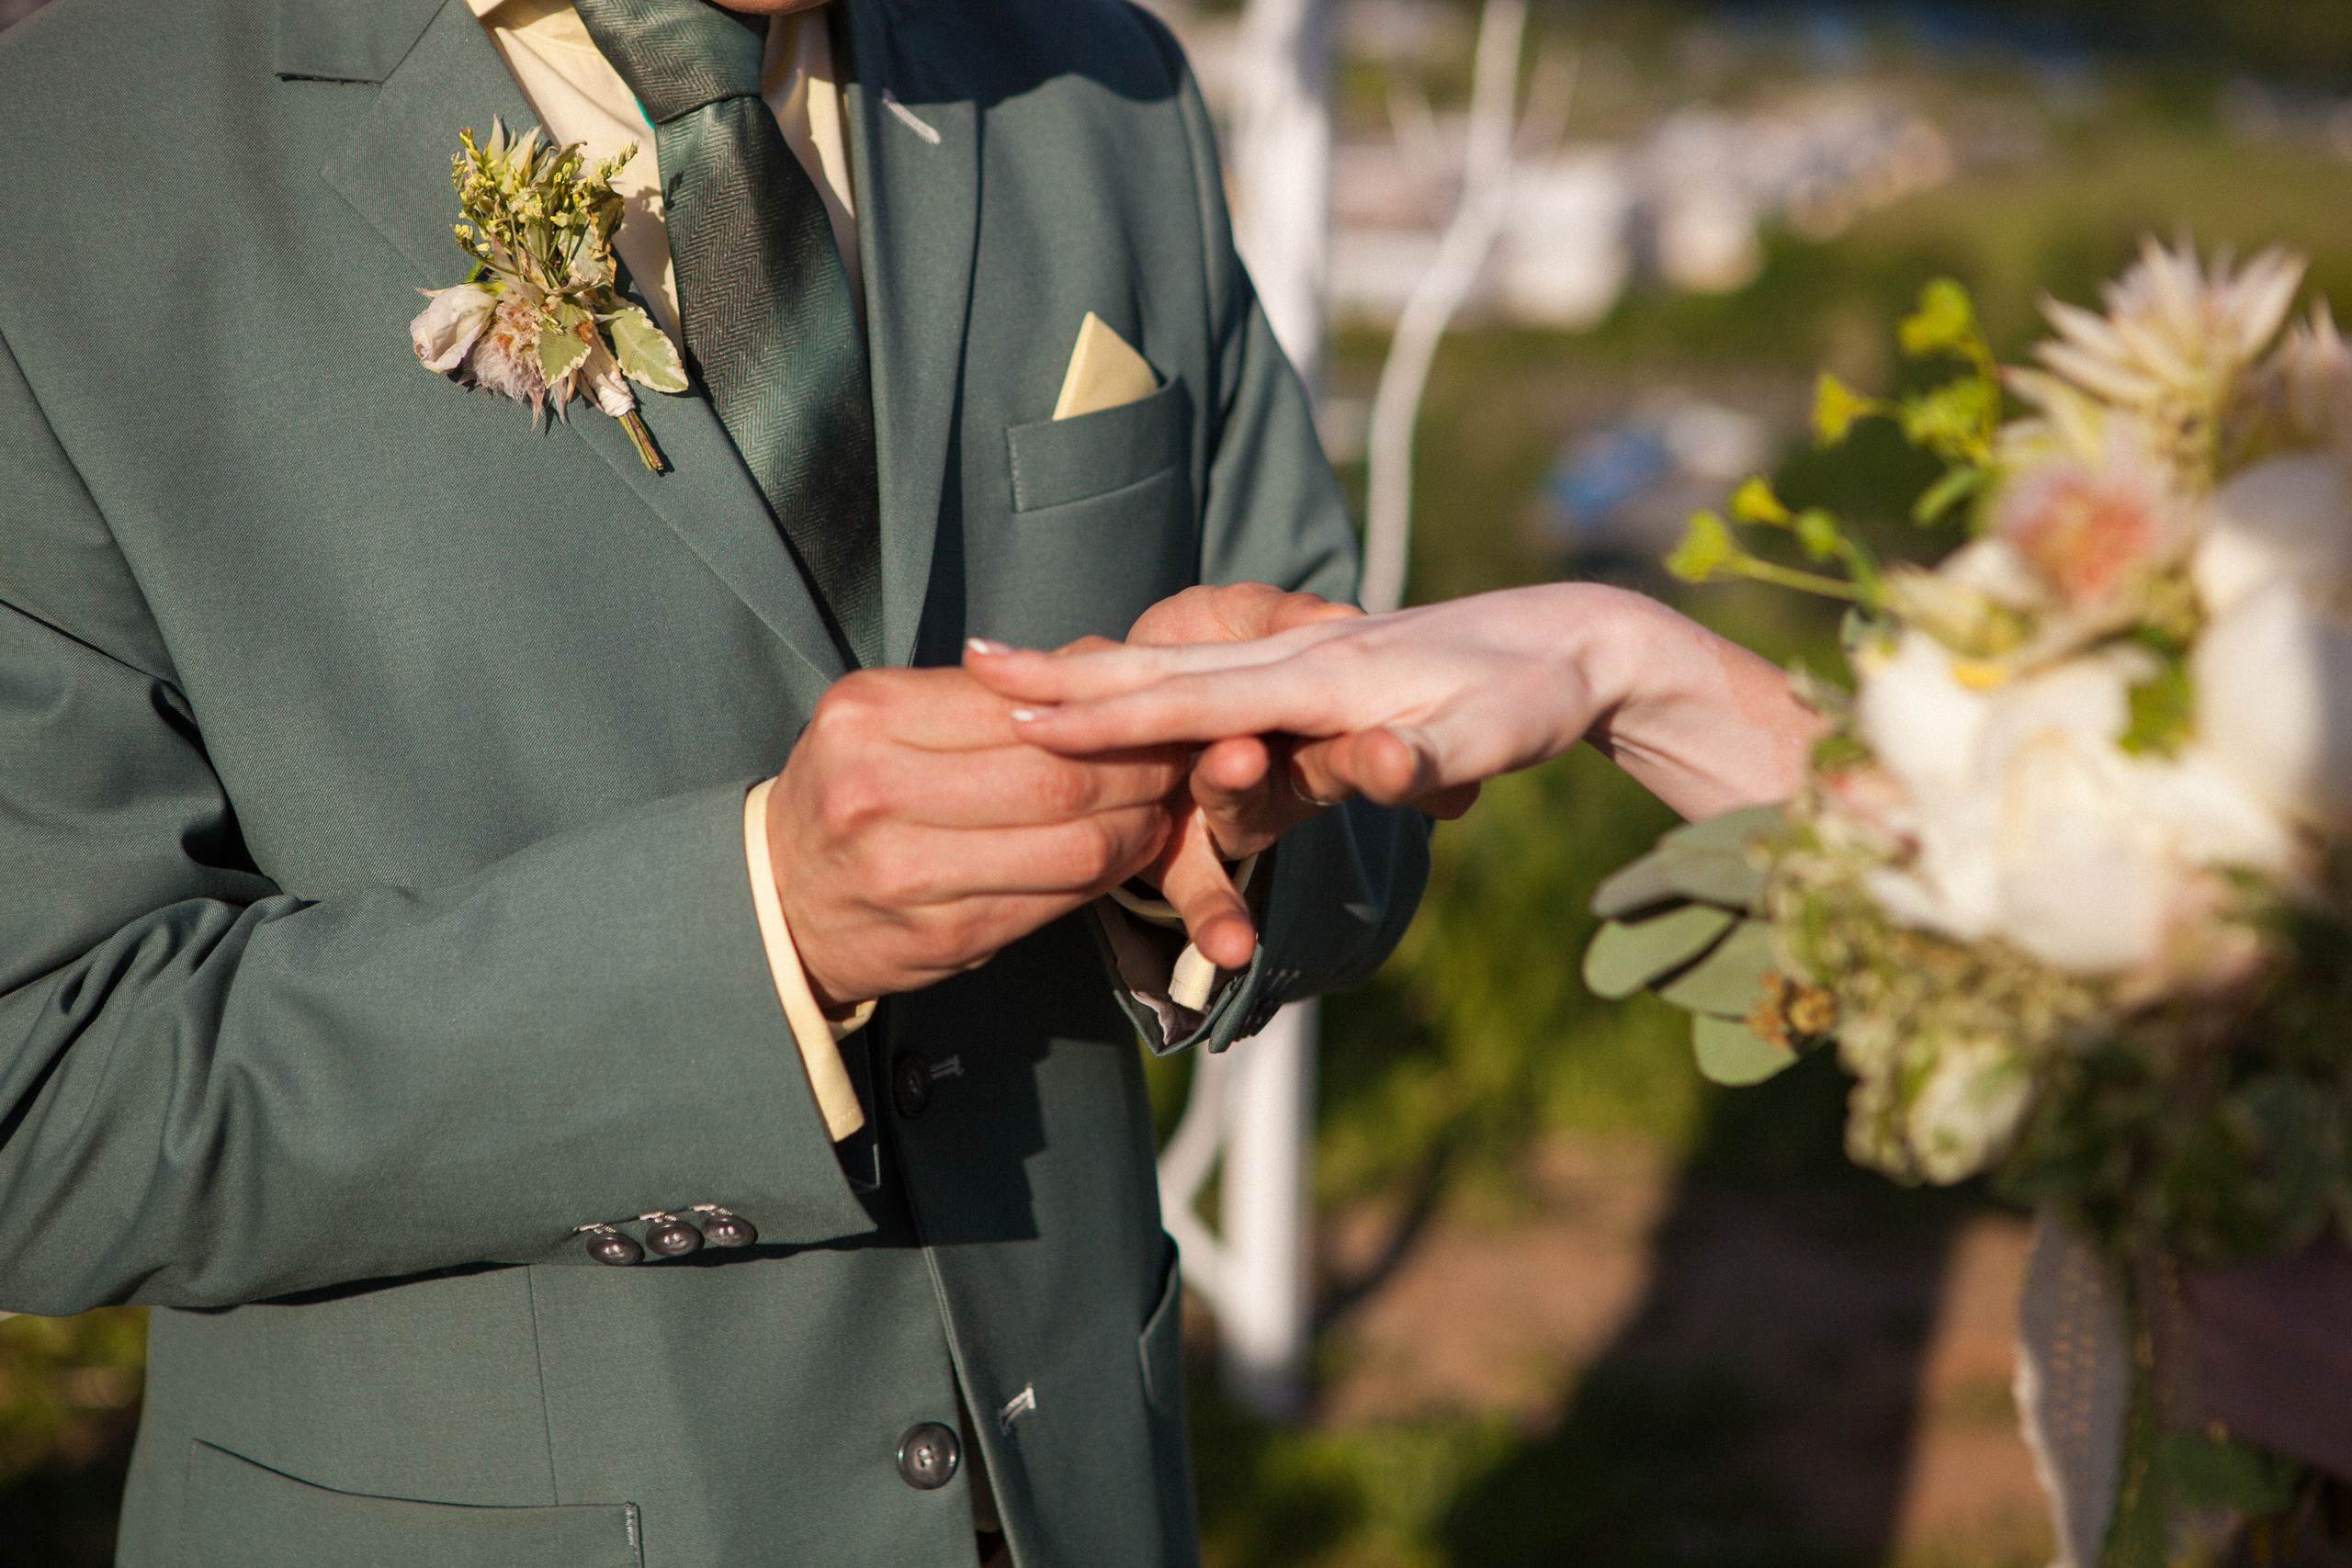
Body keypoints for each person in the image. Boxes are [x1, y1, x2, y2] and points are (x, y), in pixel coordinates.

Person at [0, 0, 1427, 1562]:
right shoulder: (57, 157)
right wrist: (754, 936)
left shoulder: (1106, 78)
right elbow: (43, 1095)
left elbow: (1352, 790)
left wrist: (1226, 828)